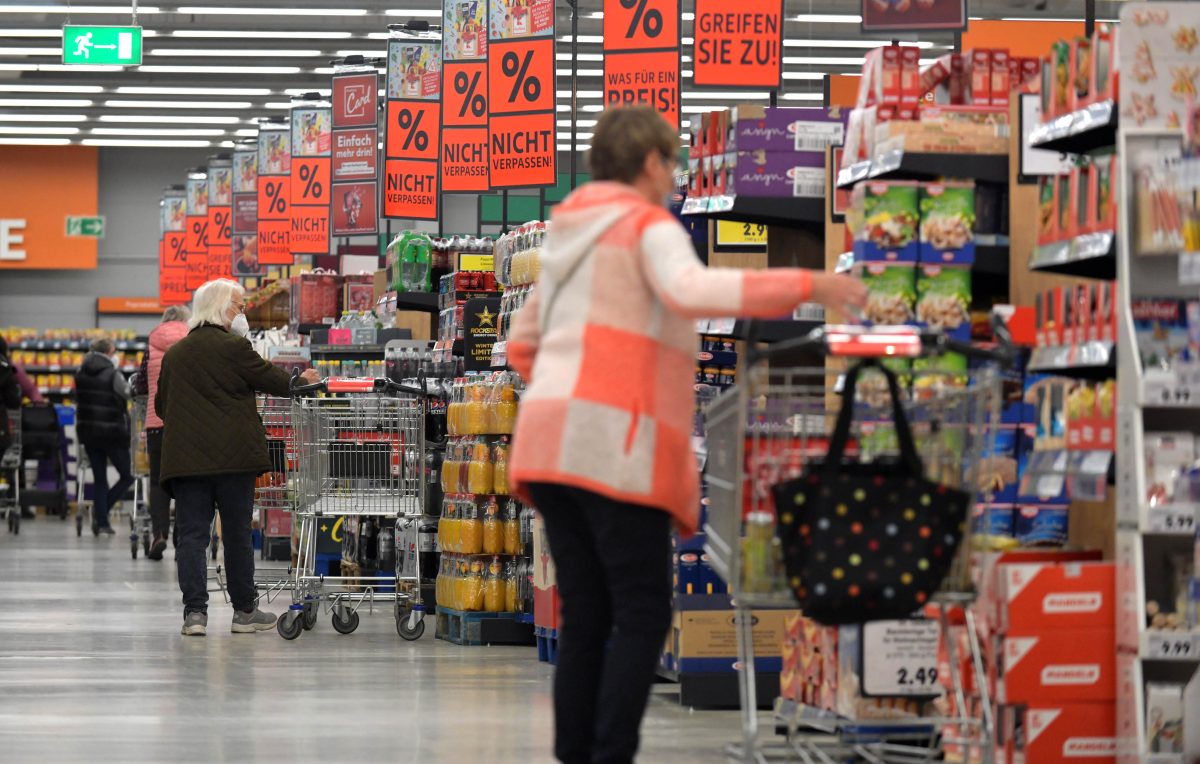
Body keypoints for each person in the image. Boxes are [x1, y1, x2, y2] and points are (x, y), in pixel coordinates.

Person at [506, 106, 867, 764]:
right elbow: (690, 287)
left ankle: (575, 755)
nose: (674, 177)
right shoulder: (647, 225)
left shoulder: (567, 237)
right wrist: (811, 283)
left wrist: (568, 386)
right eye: (671, 163)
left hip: (547, 444)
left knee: (587, 611)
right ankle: (610, 754)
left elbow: (521, 343)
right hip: (615, 447)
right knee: (642, 610)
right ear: (650, 163)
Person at [157, 279, 320, 637]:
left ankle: (195, 615)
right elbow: (276, 382)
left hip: (186, 462)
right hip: (234, 461)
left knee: (192, 538)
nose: (242, 313)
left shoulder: (175, 354)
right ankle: (245, 612)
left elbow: (160, 406)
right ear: (219, 308)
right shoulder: (235, 347)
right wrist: (303, 379)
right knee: (236, 535)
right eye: (238, 306)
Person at [144, 305, 190, 561]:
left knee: (157, 483)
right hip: (184, 423)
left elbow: (140, 383)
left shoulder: (151, 342)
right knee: (185, 481)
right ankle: (182, 538)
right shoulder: (192, 341)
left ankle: (158, 534)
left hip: (155, 423)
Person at [75, 338, 135, 536]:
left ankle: (101, 521)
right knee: (127, 475)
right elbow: (128, 394)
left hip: (89, 433)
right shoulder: (113, 374)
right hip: (112, 433)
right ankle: (101, 514)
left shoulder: (80, 372)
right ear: (109, 352)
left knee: (100, 479)